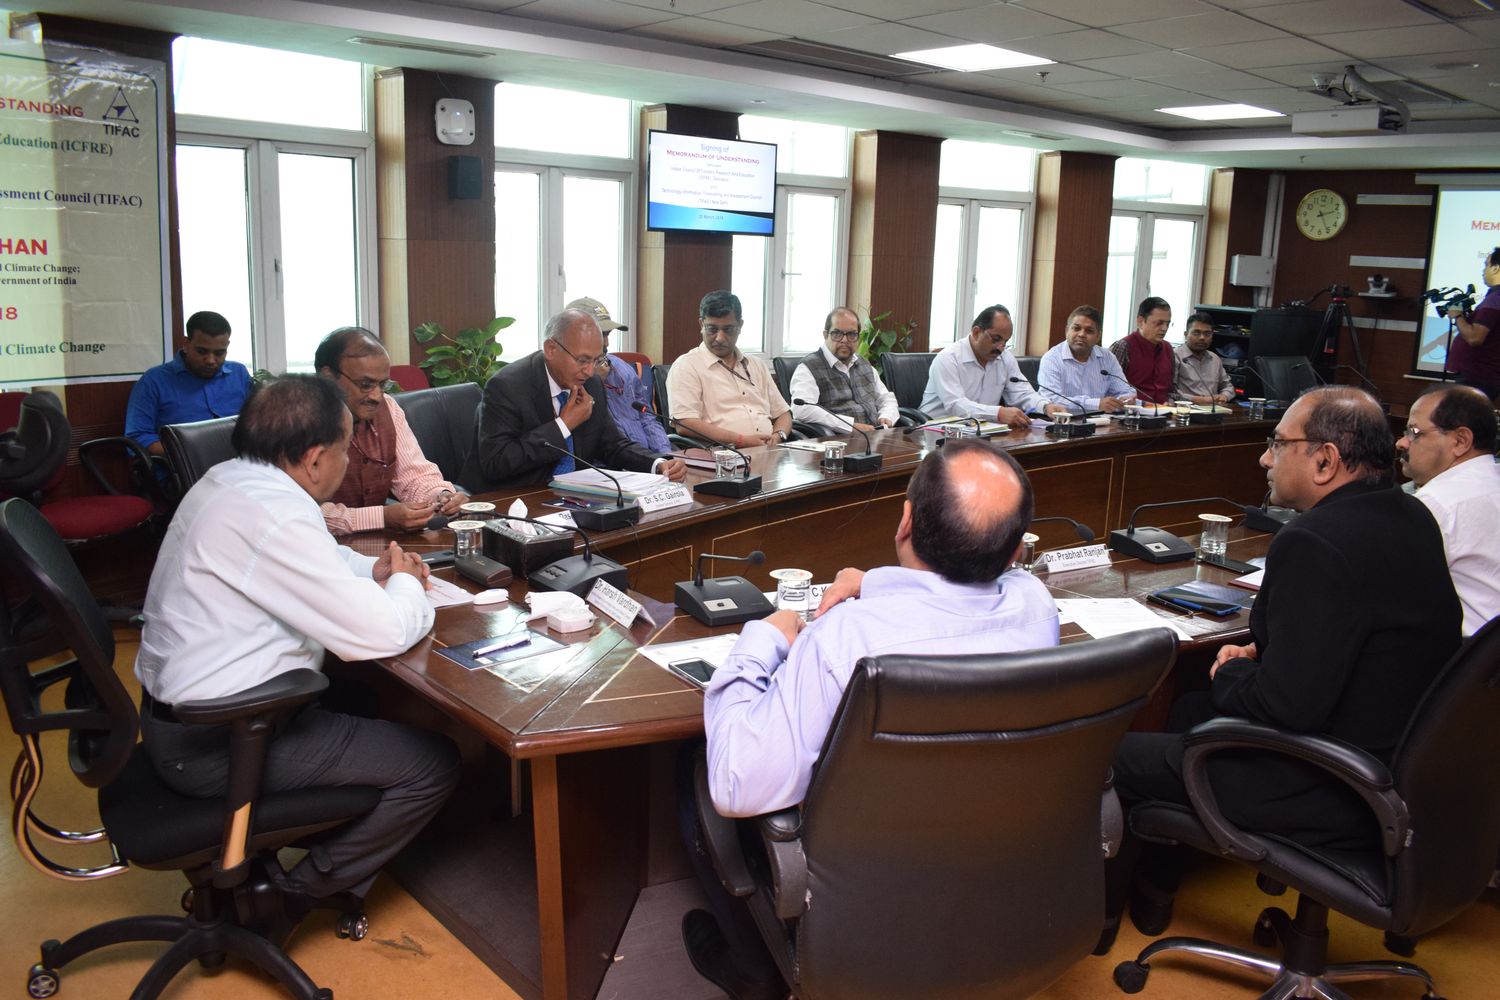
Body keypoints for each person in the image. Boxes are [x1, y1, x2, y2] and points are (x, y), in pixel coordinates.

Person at [680, 438, 1059, 1000]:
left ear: (905, 522)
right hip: (994, 856)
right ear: (1014, 553)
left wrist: (763, 639)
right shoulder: (1035, 607)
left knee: (696, 768)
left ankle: (754, 970)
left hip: (862, 881)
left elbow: (738, 786)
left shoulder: (846, 638)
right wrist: (873, 580)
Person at [1099, 386, 1462, 952]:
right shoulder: (1410, 515)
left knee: (1112, 756)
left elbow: (1287, 707)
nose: (1265, 457)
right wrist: (1267, 659)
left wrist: (1231, 671)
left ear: (1325, 460)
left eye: (1278, 443)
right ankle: (1156, 889)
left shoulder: (1315, 541)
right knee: (1187, 708)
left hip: (1327, 783)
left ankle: (1096, 925)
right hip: (1399, 766)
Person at [134, 374, 461, 913]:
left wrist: (375, 570)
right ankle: (291, 897)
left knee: (365, 699)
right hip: (219, 740)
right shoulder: (275, 514)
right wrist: (405, 583)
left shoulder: (234, 480)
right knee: (433, 763)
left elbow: (316, 559)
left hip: (184, 718)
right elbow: (381, 633)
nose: (347, 460)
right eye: (344, 448)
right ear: (314, 459)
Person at [465, 308, 686, 487]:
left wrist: (657, 464)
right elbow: (497, 463)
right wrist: (564, 425)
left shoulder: (591, 384)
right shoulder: (508, 386)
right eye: (582, 360)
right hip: (511, 499)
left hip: (572, 498)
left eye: (597, 360)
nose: (590, 371)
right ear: (551, 349)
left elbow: (612, 445)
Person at [315, 327, 467, 535]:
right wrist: (382, 517)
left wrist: (441, 496)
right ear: (328, 377)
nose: (376, 396)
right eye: (365, 385)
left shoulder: (388, 408)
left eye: (383, 384)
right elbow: (301, 512)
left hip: (378, 543)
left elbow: (414, 477)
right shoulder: (299, 420)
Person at [1400, 384, 1500, 636]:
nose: (1401, 442)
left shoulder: (1436, 505)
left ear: (1460, 441)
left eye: (1413, 432)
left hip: (1468, 653)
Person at [666, 290, 793, 448]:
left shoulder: (756, 364)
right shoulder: (687, 366)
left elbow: (783, 413)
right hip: (722, 454)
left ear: (740, 326)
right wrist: (741, 440)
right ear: (701, 325)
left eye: (728, 330)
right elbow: (685, 423)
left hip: (770, 450)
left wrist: (778, 436)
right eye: (712, 329)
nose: (720, 338)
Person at [125, 310, 251, 456]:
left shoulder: (239, 373)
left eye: (219, 353)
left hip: (238, 461)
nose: (210, 360)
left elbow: (257, 423)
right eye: (202, 351)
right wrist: (190, 453)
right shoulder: (154, 381)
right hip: (183, 464)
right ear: (186, 344)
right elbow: (138, 437)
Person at [919, 305, 1068, 427]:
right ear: (976, 332)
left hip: (982, 430)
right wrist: (998, 413)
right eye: (996, 339)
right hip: (937, 430)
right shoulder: (948, 358)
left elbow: (1022, 393)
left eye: (1005, 342)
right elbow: (955, 405)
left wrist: (1045, 406)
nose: (1000, 347)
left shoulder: (1005, 358)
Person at [567, 296, 671, 454]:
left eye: (607, 334)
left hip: (645, 458)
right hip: (609, 462)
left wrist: (664, 455)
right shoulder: (567, 377)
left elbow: (647, 418)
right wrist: (594, 382)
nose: (606, 342)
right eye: (600, 334)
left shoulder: (623, 368)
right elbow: (584, 435)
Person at [789, 306, 899, 434]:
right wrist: (850, 426)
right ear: (825, 335)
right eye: (837, 334)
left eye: (852, 334)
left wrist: (886, 416)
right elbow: (802, 409)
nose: (844, 340)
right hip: (839, 440)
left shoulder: (864, 364)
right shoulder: (809, 367)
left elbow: (886, 398)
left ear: (858, 337)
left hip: (877, 436)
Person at [1035, 304, 1135, 414]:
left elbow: (1125, 391)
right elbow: (1051, 398)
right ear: (1067, 331)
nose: (1081, 334)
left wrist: (1126, 399)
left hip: (1102, 421)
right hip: (1064, 421)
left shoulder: (1107, 358)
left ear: (1098, 336)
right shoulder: (1052, 359)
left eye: (1089, 331)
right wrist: (1096, 404)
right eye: (1076, 328)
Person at [1445, 246, 1500, 400]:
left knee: (1464, 414)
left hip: (1477, 377)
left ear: (1496, 268)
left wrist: (1457, 316)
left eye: (1486, 265)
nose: (1483, 271)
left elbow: (1475, 338)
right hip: (1483, 376)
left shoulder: (1495, 300)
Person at [1109, 297, 1176, 405]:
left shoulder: (1168, 348)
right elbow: (1111, 389)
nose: (1164, 328)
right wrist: (1145, 404)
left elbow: (1172, 389)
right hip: (1133, 411)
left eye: (1167, 324)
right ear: (1140, 321)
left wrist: (1170, 402)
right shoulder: (1123, 347)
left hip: (1165, 410)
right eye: (1159, 323)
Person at [1172, 311, 1235, 407]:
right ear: (1186, 334)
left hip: (1213, 410)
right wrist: (1197, 400)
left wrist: (1224, 396)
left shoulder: (1215, 359)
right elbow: (1170, 392)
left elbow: (1228, 386)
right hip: (1185, 409)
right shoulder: (1175, 356)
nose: (1202, 337)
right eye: (1196, 333)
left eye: (1207, 334)